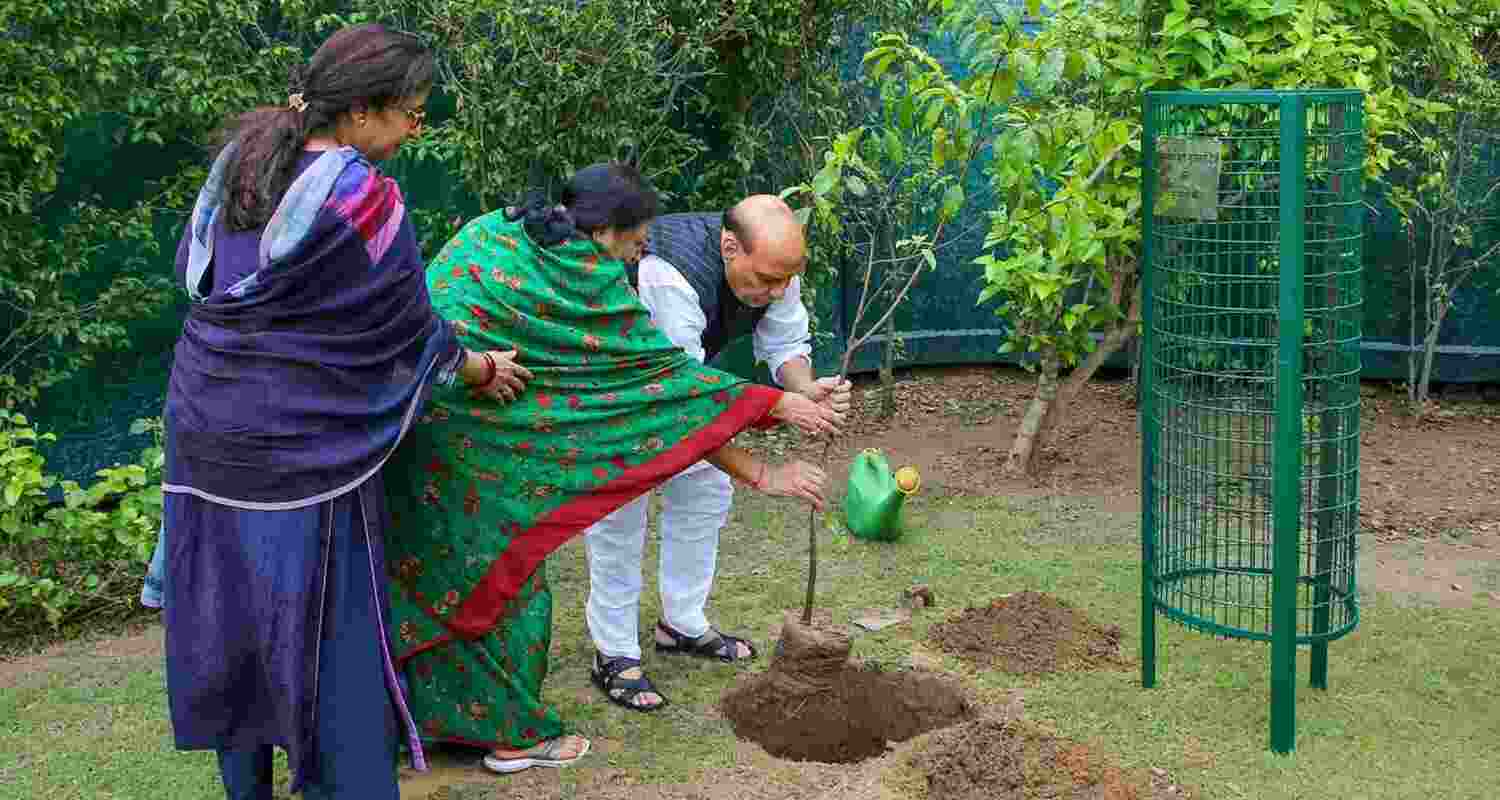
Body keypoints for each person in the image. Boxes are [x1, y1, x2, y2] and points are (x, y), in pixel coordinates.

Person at [148, 25, 530, 799]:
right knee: (335, 639)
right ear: (361, 112)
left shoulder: (241, 170)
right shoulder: (363, 194)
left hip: (203, 435)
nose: (414, 132)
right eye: (412, 114)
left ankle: (248, 785)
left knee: (237, 625)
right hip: (307, 460)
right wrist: (480, 367)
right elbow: (406, 328)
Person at [381, 162, 842, 775]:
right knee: (505, 577)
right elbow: (662, 389)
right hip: (464, 436)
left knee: (443, 575)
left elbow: (762, 352)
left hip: (433, 421)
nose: (641, 249)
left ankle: (428, 718)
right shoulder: (613, 278)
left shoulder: (511, 233)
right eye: (636, 239)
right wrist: (767, 447)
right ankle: (532, 716)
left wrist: (800, 391)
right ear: (608, 232)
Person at [579, 195, 851, 711]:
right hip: (612, 391)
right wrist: (764, 474)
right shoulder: (668, 278)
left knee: (704, 486)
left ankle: (680, 625)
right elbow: (687, 405)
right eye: (768, 280)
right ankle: (613, 654)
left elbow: (785, 341)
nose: (775, 292)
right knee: (621, 512)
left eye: (784, 282)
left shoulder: (776, 269)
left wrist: (804, 387)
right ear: (730, 247)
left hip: (676, 387)